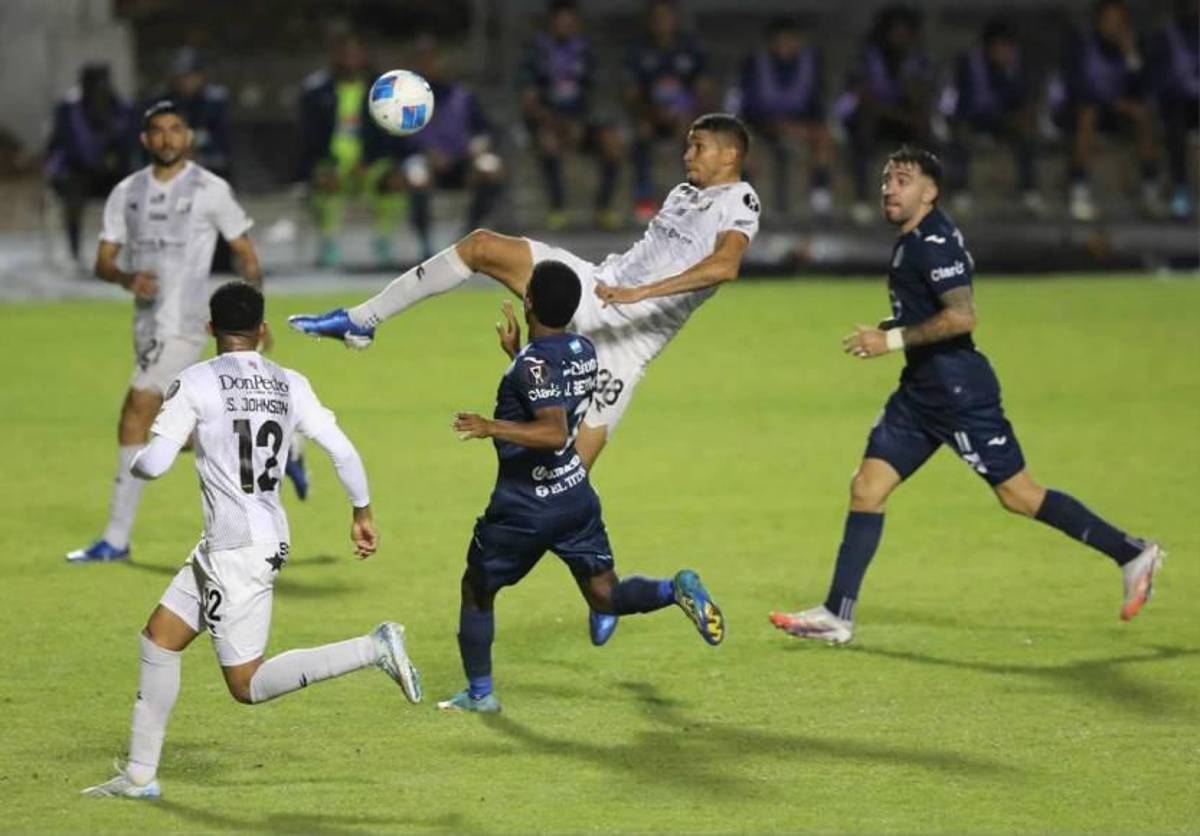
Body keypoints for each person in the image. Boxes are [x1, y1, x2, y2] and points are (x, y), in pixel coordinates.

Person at [768, 147, 1164, 645]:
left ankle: (1131, 552)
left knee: (1019, 496)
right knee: (867, 488)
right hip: (921, 392)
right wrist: (897, 327)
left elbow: (962, 316)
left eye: (903, 180)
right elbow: (933, 310)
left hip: (958, 393)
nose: (889, 187)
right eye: (887, 178)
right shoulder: (916, 238)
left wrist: (889, 340)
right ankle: (837, 614)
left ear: (930, 191)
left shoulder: (931, 243)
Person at [80, 281, 421, 799]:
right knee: (159, 639)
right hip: (243, 537)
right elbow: (343, 451)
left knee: (247, 685)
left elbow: (151, 465)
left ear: (210, 328)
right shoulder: (290, 382)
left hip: (236, 551)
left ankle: (371, 647)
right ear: (262, 331)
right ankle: (140, 777)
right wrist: (361, 510)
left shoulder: (195, 380)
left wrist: (142, 454)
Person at [289, 113, 759, 473]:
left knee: (565, 486)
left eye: (697, 147)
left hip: (629, 340)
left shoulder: (739, 200)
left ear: (729, 157)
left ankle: (623, 597)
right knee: (481, 246)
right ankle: (362, 321)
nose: (687, 155)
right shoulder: (682, 193)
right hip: (596, 290)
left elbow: (726, 265)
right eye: (688, 146)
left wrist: (642, 294)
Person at [438, 261, 723, 713]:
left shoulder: (533, 365)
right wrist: (517, 357)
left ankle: (480, 695)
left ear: (528, 301)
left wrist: (490, 425)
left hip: (524, 507)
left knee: (477, 588)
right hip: (574, 494)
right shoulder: (583, 349)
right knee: (605, 595)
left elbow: (550, 430)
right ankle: (675, 589)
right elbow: (548, 390)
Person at [66, 101, 266, 564]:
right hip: (147, 326)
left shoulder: (211, 189)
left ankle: (115, 538)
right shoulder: (126, 193)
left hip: (187, 324)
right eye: (157, 131)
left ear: (188, 137)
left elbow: (246, 254)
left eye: (175, 129)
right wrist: (125, 278)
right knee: (166, 427)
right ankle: (272, 443)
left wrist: (253, 318)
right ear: (144, 140)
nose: (167, 138)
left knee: (135, 410)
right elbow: (103, 260)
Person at [297, 32, 406, 267]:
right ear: (334, 56)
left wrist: (368, 160)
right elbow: (308, 139)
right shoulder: (316, 91)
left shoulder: (381, 89)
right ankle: (329, 243)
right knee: (326, 180)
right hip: (333, 163)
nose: (349, 60)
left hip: (369, 163)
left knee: (394, 180)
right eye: (344, 54)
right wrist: (320, 167)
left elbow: (387, 132)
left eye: (355, 54)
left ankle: (383, 239)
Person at [519, 0, 623, 230]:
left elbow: (597, 94)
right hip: (548, 121)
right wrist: (557, 123)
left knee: (612, 142)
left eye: (570, 21)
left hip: (582, 121)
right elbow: (529, 101)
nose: (566, 25)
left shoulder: (586, 51)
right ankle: (557, 209)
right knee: (548, 142)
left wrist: (582, 123)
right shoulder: (536, 51)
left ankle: (603, 208)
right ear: (551, 22)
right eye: (560, 21)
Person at [398, 35, 505, 260]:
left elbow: (483, 130)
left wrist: (478, 145)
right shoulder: (406, 99)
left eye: (433, 59)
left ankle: (468, 234)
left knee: (491, 168)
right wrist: (426, 152)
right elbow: (399, 139)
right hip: (425, 162)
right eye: (423, 60)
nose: (429, 65)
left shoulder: (462, 96)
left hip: (461, 160)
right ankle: (425, 245)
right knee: (416, 175)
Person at [1056, 0, 1160, 222]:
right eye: (1108, 21)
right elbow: (1076, 87)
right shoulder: (1082, 44)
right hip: (1085, 110)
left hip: (1118, 114)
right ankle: (1079, 190)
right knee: (1087, 114)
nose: (1113, 27)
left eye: (1118, 22)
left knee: (1144, 115)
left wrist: (1132, 56)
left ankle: (1150, 190)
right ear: (1097, 22)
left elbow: (1145, 89)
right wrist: (1113, 102)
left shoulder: (1132, 47)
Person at [837, 4, 936, 224]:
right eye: (894, 32)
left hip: (904, 120)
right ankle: (861, 199)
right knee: (863, 130)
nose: (899, 38)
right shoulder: (867, 58)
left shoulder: (918, 60)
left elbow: (923, 97)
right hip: (875, 119)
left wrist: (912, 101)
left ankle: (920, 200)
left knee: (925, 134)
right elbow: (863, 99)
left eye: (904, 32)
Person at [942, 20, 1043, 217]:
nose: (1002, 51)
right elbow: (963, 103)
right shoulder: (969, 64)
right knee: (960, 135)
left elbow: (1023, 99)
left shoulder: (1017, 64)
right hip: (974, 116)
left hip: (1004, 119)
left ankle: (1029, 191)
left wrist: (1007, 76)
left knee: (1027, 133)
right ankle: (960, 190)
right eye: (997, 46)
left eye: (1006, 46)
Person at [735, 16, 832, 218]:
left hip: (799, 124)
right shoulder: (755, 64)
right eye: (780, 41)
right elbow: (747, 104)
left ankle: (820, 195)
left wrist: (800, 126)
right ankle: (744, 200)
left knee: (822, 137)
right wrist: (772, 124)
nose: (785, 46)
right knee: (744, 143)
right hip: (763, 124)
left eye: (790, 41)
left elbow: (816, 102)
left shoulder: (811, 63)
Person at [625, 0, 714, 222]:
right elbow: (631, 93)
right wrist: (651, 111)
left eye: (666, 17)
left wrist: (685, 109)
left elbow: (703, 89)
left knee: (692, 131)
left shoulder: (691, 48)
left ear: (675, 19)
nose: (661, 23)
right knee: (642, 131)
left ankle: (694, 195)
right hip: (650, 114)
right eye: (657, 18)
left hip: (684, 114)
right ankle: (644, 199)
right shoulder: (639, 49)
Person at [45, 63, 137, 263]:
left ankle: (132, 252)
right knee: (72, 194)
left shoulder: (122, 108)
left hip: (113, 173)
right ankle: (75, 253)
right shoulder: (69, 110)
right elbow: (57, 146)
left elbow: (130, 145)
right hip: (78, 172)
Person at [1152, 0, 1199, 220]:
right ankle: (1180, 193)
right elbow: (1158, 77)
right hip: (1177, 104)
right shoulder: (1167, 36)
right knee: (1175, 124)